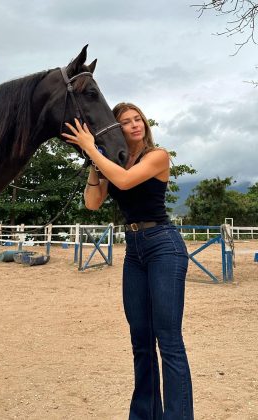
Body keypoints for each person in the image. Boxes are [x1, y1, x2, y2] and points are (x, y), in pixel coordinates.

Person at [62, 103, 194, 420]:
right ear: (116, 128)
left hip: (163, 245)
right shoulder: (114, 161)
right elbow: (93, 202)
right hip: (134, 250)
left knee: (169, 340)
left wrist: (92, 149)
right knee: (141, 340)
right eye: (126, 122)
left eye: (138, 119)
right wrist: (94, 160)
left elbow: (123, 181)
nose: (135, 125)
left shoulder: (157, 156)